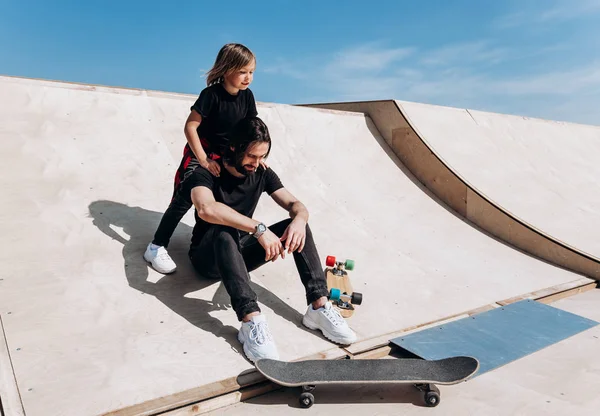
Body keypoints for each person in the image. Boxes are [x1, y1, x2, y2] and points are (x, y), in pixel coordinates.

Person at [178, 116, 357, 362]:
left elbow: (296, 204)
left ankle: (318, 306)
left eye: (262, 156)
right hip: (207, 256)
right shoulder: (206, 173)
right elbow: (206, 209)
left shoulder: (261, 172)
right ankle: (251, 320)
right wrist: (259, 229)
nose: (258, 162)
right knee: (225, 228)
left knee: (295, 226)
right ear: (234, 147)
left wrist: (299, 220)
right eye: (252, 156)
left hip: (239, 254)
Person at [144, 43, 261, 274]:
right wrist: (204, 160)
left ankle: (221, 244)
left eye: (252, 72)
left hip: (227, 158)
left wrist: (256, 155)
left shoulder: (247, 97)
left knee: (225, 197)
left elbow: (252, 128)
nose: (248, 77)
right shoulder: (211, 95)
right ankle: (156, 246)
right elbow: (191, 127)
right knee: (184, 197)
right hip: (203, 155)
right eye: (243, 71)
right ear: (227, 69)